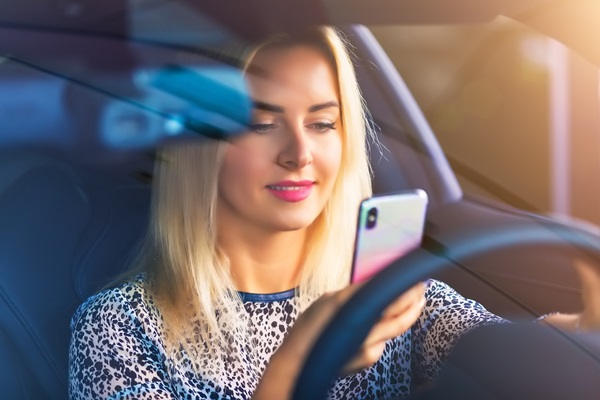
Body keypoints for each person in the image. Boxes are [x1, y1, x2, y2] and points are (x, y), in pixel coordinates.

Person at [68, 26, 597, 399]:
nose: (299, 153)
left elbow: (495, 352)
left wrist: (577, 333)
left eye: (322, 124)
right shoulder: (118, 329)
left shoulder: (384, 292)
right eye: (260, 123)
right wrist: (297, 361)